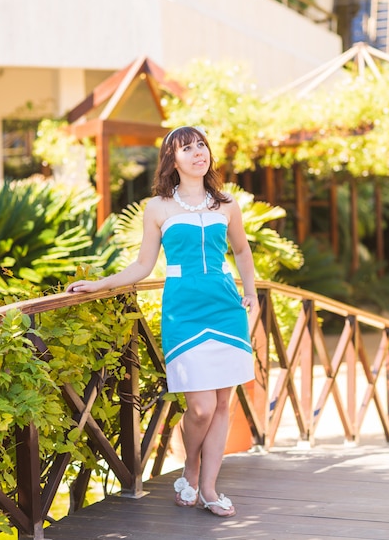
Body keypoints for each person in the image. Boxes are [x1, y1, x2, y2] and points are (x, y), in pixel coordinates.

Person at [66, 126, 257, 517]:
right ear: (172, 160)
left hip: (227, 310)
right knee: (201, 406)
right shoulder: (158, 208)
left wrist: (251, 292)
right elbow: (142, 265)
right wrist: (100, 284)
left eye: (201, 144)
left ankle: (207, 488)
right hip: (183, 314)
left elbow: (241, 250)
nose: (197, 152)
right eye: (186, 148)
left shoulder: (226, 203)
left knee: (223, 403)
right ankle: (189, 468)